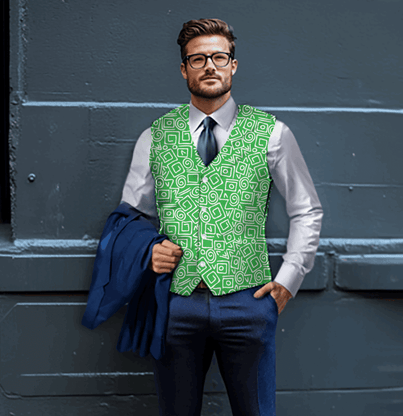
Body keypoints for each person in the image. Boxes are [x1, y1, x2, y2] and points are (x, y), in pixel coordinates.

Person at [121, 18, 323, 416]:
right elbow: (130, 216)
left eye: (218, 57)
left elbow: (306, 209)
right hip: (175, 303)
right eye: (198, 59)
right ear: (184, 69)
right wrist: (148, 251)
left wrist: (288, 280)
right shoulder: (155, 136)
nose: (209, 66)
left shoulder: (272, 133)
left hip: (248, 302)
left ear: (233, 65)